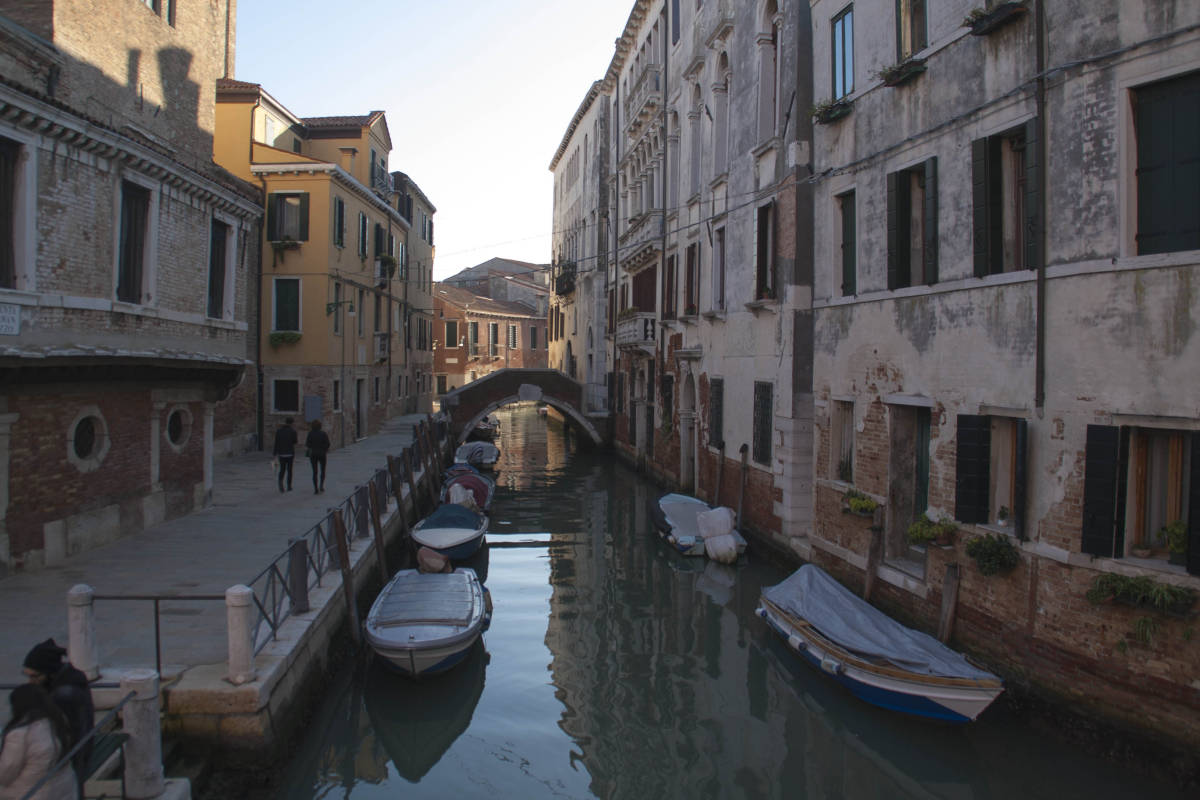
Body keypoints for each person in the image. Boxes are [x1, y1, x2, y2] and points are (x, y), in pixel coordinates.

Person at [21, 639, 92, 794]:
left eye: (35, 676)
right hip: (77, 750)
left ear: (49, 673)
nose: (30, 682)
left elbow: (63, 741)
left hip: (72, 761)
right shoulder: (70, 678)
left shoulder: (63, 696)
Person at [0, 684, 79, 800]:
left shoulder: (20, 733)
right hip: (63, 790)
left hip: (29, 793)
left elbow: (5, 774)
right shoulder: (58, 722)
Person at [305, 420, 331, 494]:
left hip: (313, 454)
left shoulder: (310, 434)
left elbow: (307, 444)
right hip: (322, 454)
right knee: (323, 470)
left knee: (315, 472)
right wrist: (324, 449)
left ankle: (315, 488)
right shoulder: (323, 434)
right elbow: (328, 444)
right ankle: (321, 485)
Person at [273, 416, 298, 492]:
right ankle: (289, 486)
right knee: (289, 470)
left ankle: (280, 482)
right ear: (292, 423)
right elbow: (295, 441)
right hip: (290, 453)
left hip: (281, 453)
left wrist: (275, 452)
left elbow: (276, 442)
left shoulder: (279, 431)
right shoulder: (293, 431)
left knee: (282, 469)